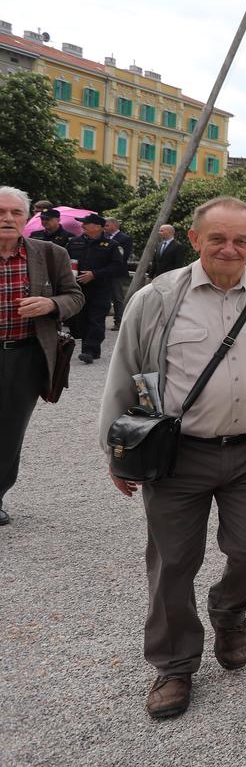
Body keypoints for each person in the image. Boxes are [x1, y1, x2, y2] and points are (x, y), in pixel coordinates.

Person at [97, 196, 246, 720]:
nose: (229, 248)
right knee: (172, 562)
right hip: (177, 456)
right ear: (195, 240)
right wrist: (116, 450)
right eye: (217, 238)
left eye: (241, 240)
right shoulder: (155, 299)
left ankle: (229, 608)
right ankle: (174, 665)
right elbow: (124, 372)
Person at [0, 186, 83, 527]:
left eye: (15, 213)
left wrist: (51, 305)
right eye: (1, 213)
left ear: (26, 218)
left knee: (8, 431)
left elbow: (75, 297)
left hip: (24, 356)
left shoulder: (49, 254)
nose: (7, 219)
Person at [67, 213, 125, 364]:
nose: (82, 226)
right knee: (83, 320)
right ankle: (92, 350)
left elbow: (117, 267)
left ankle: (89, 350)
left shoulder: (111, 246)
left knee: (96, 319)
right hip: (79, 288)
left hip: (101, 288)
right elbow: (65, 261)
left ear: (98, 227)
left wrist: (95, 274)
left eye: (86, 223)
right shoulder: (74, 243)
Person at [103, 217, 134, 329]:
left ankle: (119, 321)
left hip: (117, 273)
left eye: (106, 225)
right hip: (104, 272)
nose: (104, 228)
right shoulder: (104, 237)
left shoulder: (124, 238)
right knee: (103, 296)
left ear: (114, 226)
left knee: (117, 298)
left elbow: (123, 257)